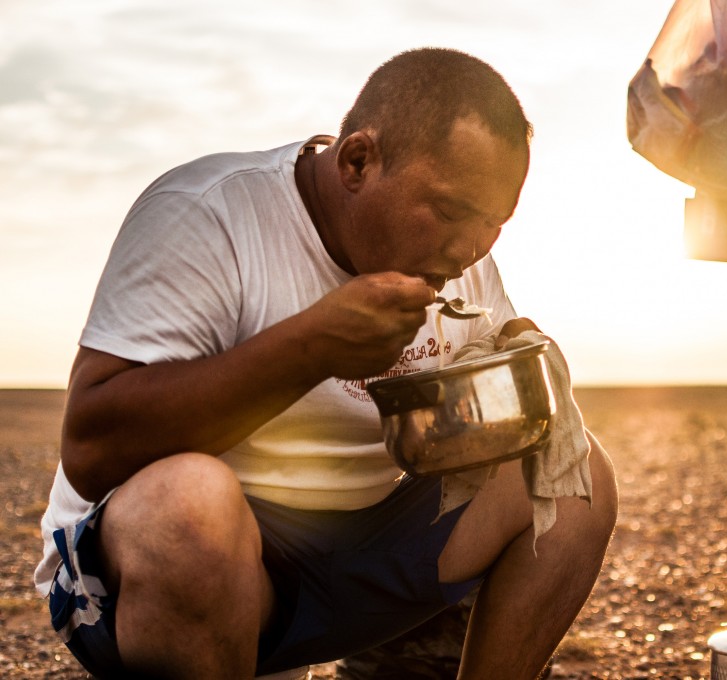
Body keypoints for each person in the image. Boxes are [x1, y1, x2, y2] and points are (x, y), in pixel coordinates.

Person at [33, 47, 618, 679]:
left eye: (493, 224)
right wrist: (312, 346)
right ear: (357, 161)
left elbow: (488, 392)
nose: (470, 246)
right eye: (449, 211)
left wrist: (519, 380)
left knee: (570, 469)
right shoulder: (209, 214)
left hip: (359, 554)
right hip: (182, 576)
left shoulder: (462, 259)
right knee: (185, 502)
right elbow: (91, 452)